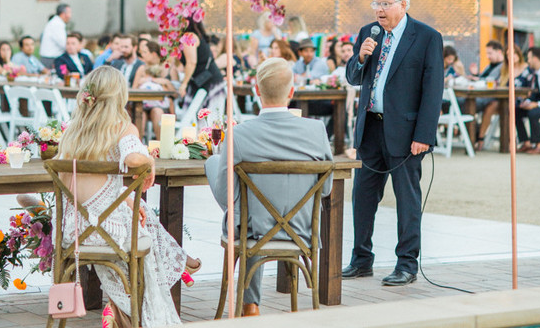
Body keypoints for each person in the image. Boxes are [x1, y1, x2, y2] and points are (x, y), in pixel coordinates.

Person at [56, 66, 200, 328]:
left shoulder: (71, 132)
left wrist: (126, 198)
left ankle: (119, 308)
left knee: (138, 213)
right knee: (142, 230)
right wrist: (147, 162)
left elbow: (84, 192)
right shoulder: (122, 127)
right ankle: (123, 308)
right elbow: (133, 158)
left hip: (74, 231)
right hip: (107, 232)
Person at [205, 58, 333, 316]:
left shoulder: (239, 135)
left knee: (215, 165)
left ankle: (250, 304)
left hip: (254, 230)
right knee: (252, 204)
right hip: (302, 230)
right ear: (292, 92)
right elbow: (327, 188)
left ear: (256, 91)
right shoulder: (316, 131)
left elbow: (224, 195)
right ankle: (252, 301)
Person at [342, 0, 443, 287]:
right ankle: (361, 260)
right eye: (376, 3)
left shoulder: (426, 37)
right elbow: (353, 78)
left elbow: (433, 89)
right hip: (371, 128)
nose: (379, 10)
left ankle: (407, 264)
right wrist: (360, 58)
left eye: (385, 4)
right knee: (362, 196)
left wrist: (424, 136)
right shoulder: (367, 34)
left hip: (407, 133)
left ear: (403, 5)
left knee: (407, 199)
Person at [474, 45, 533, 150]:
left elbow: (531, 89)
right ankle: (480, 138)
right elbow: (500, 84)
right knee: (491, 105)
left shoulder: (527, 69)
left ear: (518, 54)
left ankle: (511, 141)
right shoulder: (505, 69)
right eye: (508, 55)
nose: (512, 56)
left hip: (520, 101)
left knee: (510, 109)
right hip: (504, 100)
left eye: (514, 53)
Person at [175, 19, 226, 114]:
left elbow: (191, 62)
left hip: (207, 83)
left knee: (203, 119)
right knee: (210, 119)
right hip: (209, 80)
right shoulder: (199, 36)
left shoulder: (189, 37)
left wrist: (184, 84)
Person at [515, 46, 540, 155]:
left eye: (529, 58)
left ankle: (539, 145)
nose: (528, 61)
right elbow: (537, 93)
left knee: (533, 113)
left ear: (536, 59)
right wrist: (528, 102)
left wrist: (537, 104)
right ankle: (526, 142)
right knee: (516, 110)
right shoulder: (535, 72)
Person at [39, 3, 71, 68]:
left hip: (50, 58)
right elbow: (63, 44)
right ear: (63, 14)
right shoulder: (57, 24)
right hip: (50, 59)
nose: (70, 16)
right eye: (69, 12)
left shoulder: (56, 22)